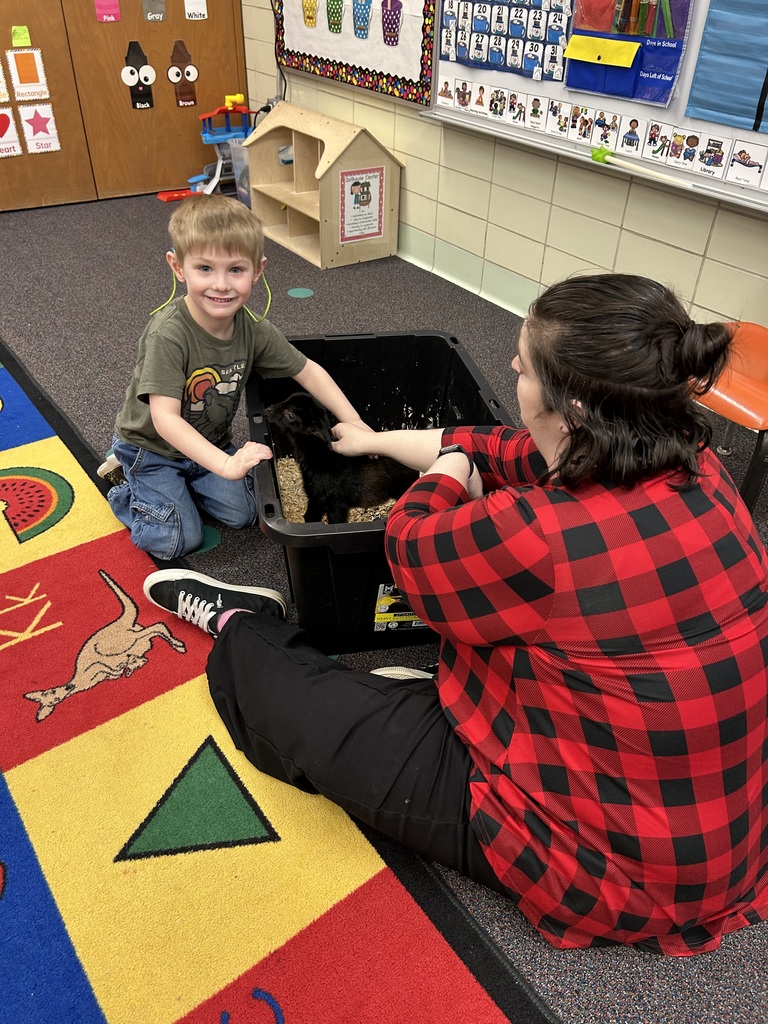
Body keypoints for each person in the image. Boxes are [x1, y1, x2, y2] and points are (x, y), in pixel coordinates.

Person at [143, 273, 768, 955]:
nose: (512, 369)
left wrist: (444, 476)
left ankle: (239, 624)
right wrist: (380, 439)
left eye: (525, 367)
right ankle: (444, 697)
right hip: (719, 837)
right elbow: (498, 447)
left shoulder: (535, 534)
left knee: (280, 700)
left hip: (602, 870)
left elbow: (409, 546)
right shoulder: (698, 467)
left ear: (573, 410)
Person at [99, 193, 367, 560]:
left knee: (246, 515)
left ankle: (180, 489)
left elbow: (308, 371)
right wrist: (225, 465)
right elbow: (164, 420)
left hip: (209, 440)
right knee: (177, 540)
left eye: (236, 270)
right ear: (178, 267)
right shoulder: (168, 334)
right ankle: (125, 488)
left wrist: (356, 424)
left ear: (257, 270)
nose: (221, 285)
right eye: (205, 269)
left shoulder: (252, 328)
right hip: (153, 449)